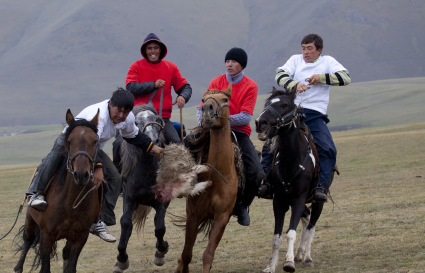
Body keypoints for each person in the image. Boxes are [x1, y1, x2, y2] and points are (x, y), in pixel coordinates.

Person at [27, 88, 164, 242]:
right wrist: (98, 167)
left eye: (125, 112)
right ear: (111, 104)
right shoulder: (99, 115)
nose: (121, 115)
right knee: (53, 157)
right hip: (72, 141)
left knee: (116, 178)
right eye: (118, 110)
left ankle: (99, 220)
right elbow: (94, 140)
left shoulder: (128, 119)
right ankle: (35, 193)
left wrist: (153, 148)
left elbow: (134, 136)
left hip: (93, 148)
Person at [258, 33, 351, 202]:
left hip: (315, 115)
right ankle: (266, 183)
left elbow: (345, 78)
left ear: (319, 50)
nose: (305, 52)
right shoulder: (295, 60)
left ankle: (320, 187)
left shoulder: (327, 62)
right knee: (269, 144)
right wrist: (294, 84)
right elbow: (280, 75)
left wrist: (321, 78)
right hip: (292, 114)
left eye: (309, 49)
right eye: (303, 48)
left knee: (328, 149)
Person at [197, 47, 264, 226]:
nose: (229, 64)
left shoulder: (251, 85)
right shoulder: (216, 81)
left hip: (239, 132)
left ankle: (242, 205)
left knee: (256, 172)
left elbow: (245, 116)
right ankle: (183, 188)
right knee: (188, 146)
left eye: (233, 61)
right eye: (227, 61)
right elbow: (201, 108)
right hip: (211, 130)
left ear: (242, 65)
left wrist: (221, 119)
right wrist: (203, 120)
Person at [125, 33, 192, 144]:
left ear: (160, 50)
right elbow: (131, 87)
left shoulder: (171, 67)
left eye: (156, 48)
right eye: (149, 48)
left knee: (177, 144)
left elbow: (185, 87)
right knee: (118, 145)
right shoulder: (136, 66)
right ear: (145, 51)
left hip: (162, 119)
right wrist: (153, 85)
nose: (153, 51)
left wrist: (182, 96)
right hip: (139, 118)